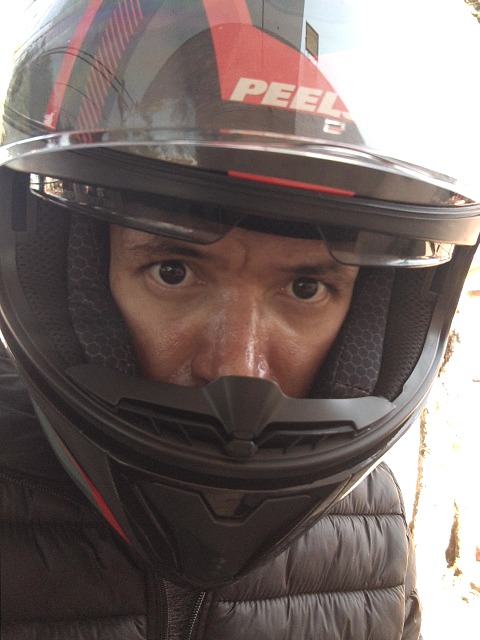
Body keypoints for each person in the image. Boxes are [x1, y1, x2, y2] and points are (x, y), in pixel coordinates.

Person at [0, 1, 478, 638]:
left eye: (305, 287)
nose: (237, 368)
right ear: (67, 274)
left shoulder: (376, 530)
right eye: (174, 271)